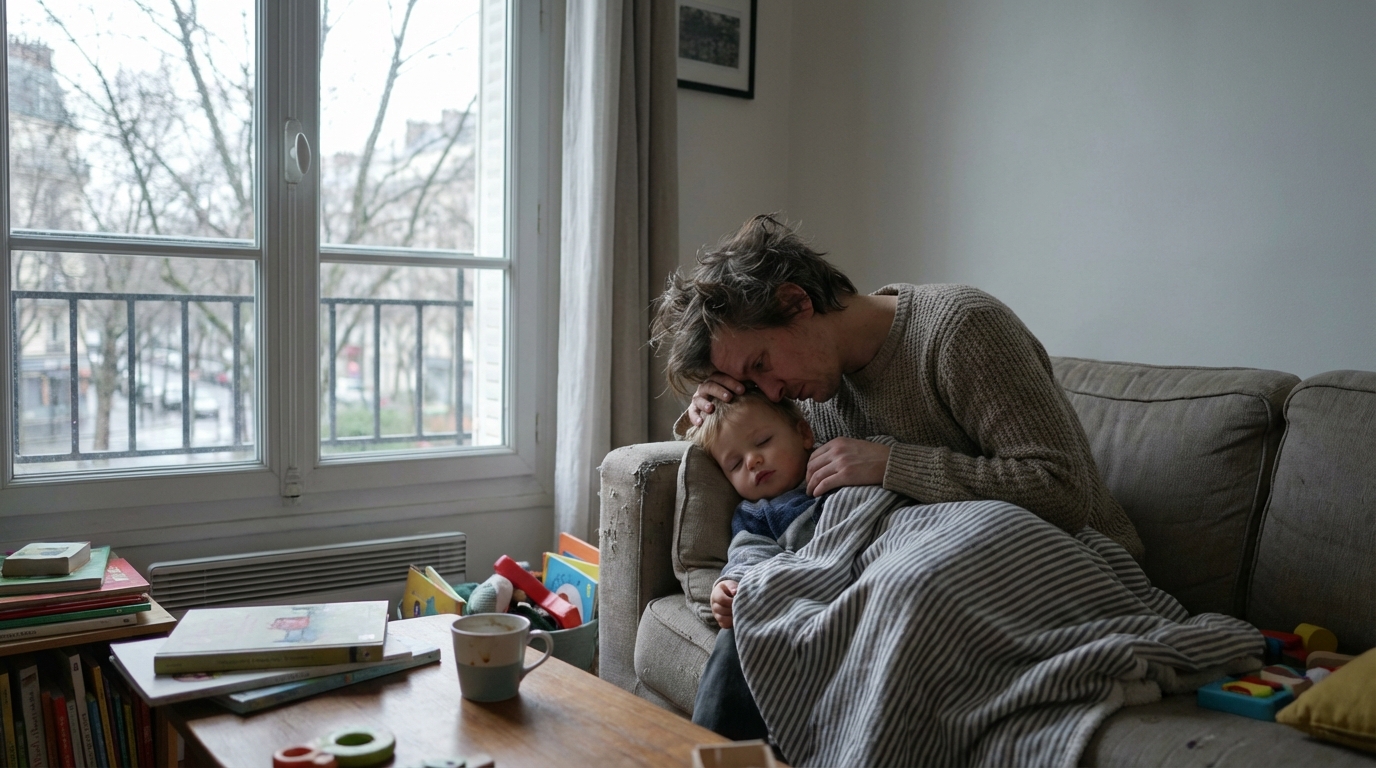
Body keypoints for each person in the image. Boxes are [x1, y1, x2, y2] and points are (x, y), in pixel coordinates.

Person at [650, 213, 1146, 740]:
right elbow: (764, 463)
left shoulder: (960, 328)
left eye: (760, 365)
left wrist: (893, 464)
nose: (770, 392)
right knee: (767, 601)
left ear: (796, 303)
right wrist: (710, 412)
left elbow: (1062, 489)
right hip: (910, 568)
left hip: (1061, 563)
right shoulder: (804, 390)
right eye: (748, 381)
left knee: (889, 589)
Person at [682, 388, 821, 741]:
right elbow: (748, 554)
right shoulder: (758, 515)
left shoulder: (835, 466)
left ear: (804, 434)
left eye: (763, 442)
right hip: (799, 598)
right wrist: (729, 586)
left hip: (858, 575)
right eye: (734, 464)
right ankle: (713, 748)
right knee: (741, 629)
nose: (753, 461)